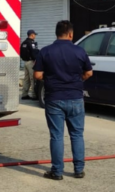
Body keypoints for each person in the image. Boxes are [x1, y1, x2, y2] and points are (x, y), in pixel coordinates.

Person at [34, 20, 92, 180]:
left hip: (54, 99)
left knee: (56, 136)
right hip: (76, 98)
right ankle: (79, 170)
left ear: (56, 34)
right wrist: (77, 80)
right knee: (77, 135)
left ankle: (57, 172)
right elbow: (89, 73)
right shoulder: (80, 51)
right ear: (71, 34)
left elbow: (37, 75)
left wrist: (52, 77)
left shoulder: (46, 51)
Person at [20, 30, 39, 100]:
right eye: (34, 34)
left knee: (26, 79)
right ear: (32, 35)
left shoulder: (23, 43)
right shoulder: (31, 43)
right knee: (33, 78)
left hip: (25, 62)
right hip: (31, 62)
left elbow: (21, 53)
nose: (35, 36)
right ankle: (34, 95)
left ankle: (24, 94)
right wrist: (36, 59)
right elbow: (34, 52)